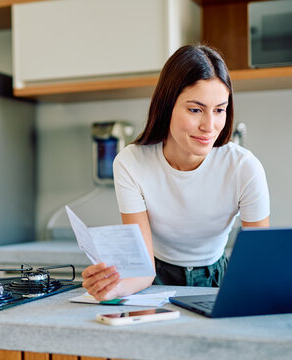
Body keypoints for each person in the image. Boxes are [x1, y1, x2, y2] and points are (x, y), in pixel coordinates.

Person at [82, 44, 270, 301]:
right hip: (155, 277)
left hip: (218, 277)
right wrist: (114, 288)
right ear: (167, 105)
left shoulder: (244, 167)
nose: (209, 126)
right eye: (195, 110)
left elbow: (258, 262)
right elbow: (143, 270)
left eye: (219, 110)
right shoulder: (130, 163)